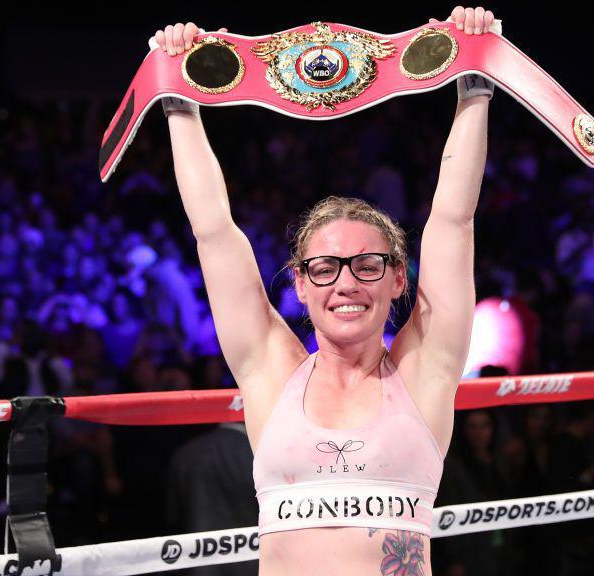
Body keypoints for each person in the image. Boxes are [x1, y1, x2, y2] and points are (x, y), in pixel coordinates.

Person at [153, 6, 496, 574]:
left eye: (366, 264)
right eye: (325, 268)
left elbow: (453, 219)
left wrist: (476, 82)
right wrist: (178, 96)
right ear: (300, 284)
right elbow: (213, 232)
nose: (345, 283)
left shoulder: (424, 373)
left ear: (396, 279)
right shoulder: (271, 371)